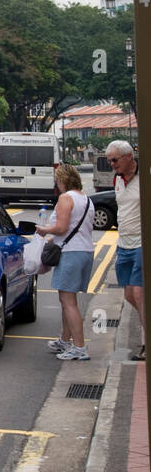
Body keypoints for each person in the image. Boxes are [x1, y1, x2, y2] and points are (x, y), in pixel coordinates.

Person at [37, 163, 96, 361]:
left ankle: (79, 347)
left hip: (71, 253)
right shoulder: (86, 199)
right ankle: (65, 340)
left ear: (63, 180)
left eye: (57, 180)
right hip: (85, 251)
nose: (56, 183)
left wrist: (44, 231)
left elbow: (61, 228)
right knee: (67, 300)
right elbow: (74, 229)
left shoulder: (66, 198)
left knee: (68, 302)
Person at [106, 140, 145, 361]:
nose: (111, 164)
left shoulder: (143, 177)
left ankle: (145, 343)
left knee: (138, 293)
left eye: (115, 159)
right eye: (109, 160)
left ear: (129, 156)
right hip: (124, 243)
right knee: (130, 294)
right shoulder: (118, 180)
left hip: (141, 241)